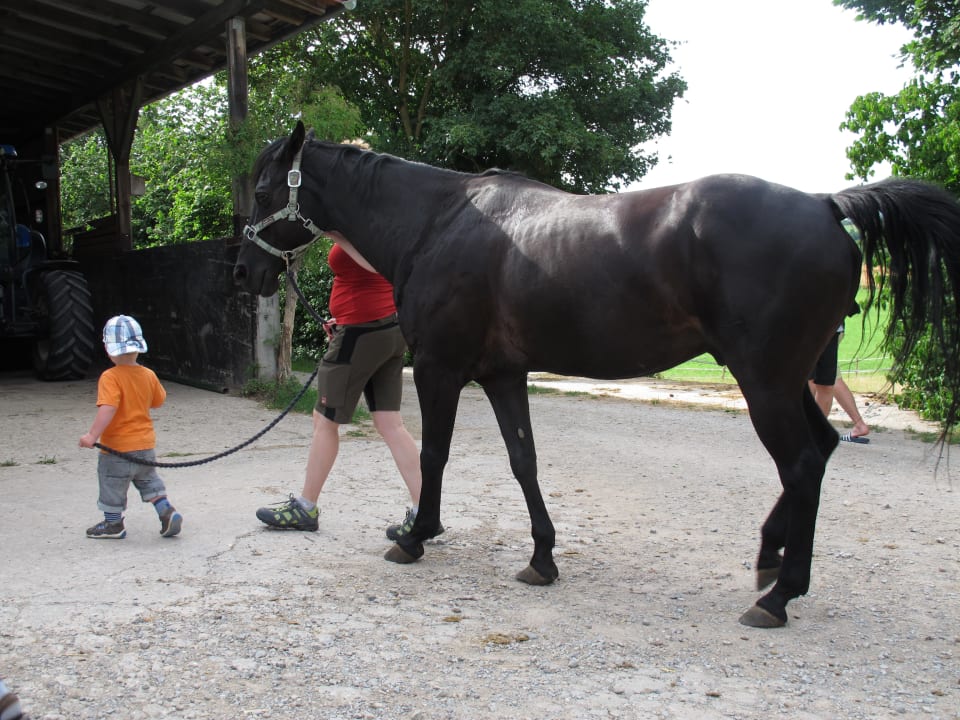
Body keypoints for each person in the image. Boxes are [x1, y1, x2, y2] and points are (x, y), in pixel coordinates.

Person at [254, 232, 442, 541]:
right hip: (382, 327)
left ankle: (306, 507)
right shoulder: (379, 219)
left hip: (361, 330)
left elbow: (375, 262)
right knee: (389, 423)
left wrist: (332, 231)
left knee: (324, 420)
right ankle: (427, 512)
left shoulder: (369, 225)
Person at [79, 315, 183, 538]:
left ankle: (113, 525)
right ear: (139, 347)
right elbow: (158, 401)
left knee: (111, 484)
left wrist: (91, 435)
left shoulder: (110, 377)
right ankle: (166, 512)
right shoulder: (148, 375)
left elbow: (108, 408)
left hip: (117, 449)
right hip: (145, 446)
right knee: (149, 481)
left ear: (108, 349)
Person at [809, 302, 870, 444]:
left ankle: (812, 430)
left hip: (822, 328)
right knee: (828, 380)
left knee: (823, 381)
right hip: (833, 326)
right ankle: (816, 430)